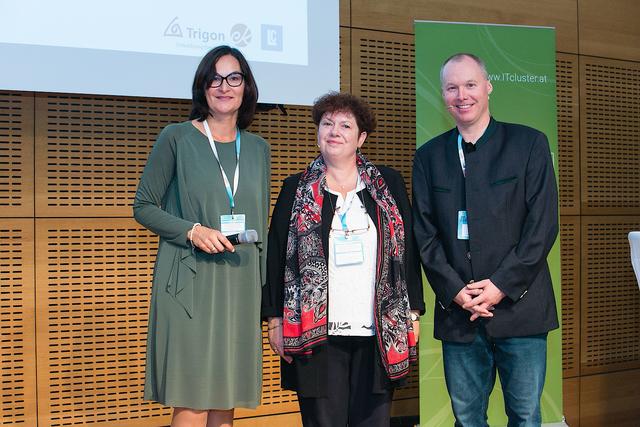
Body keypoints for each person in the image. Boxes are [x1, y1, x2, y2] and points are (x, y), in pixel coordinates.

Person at [412, 52, 559, 427]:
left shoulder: (529, 144)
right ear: (444, 95)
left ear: (488, 86)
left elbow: (542, 227)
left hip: (520, 310)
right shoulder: (428, 157)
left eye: (470, 84)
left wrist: (499, 287)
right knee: (467, 419)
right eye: (452, 87)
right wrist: (457, 291)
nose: (462, 95)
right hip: (459, 313)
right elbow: (425, 234)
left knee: (526, 417)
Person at [262, 91, 424, 427]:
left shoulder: (388, 184)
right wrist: (275, 319)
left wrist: (412, 310)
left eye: (345, 125)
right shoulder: (295, 189)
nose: (334, 131)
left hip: (379, 329)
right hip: (316, 333)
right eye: (327, 123)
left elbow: (407, 252)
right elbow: (276, 255)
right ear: (318, 131)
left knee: (374, 422)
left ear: (361, 137)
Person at [133, 45, 270, 427]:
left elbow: (262, 221)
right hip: (190, 282)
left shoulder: (258, 148)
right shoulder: (176, 138)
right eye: (214, 78)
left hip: (240, 282)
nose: (223, 86)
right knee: (192, 400)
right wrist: (191, 230)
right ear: (202, 86)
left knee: (226, 398)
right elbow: (143, 206)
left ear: (246, 87)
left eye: (233, 77)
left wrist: (265, 295)